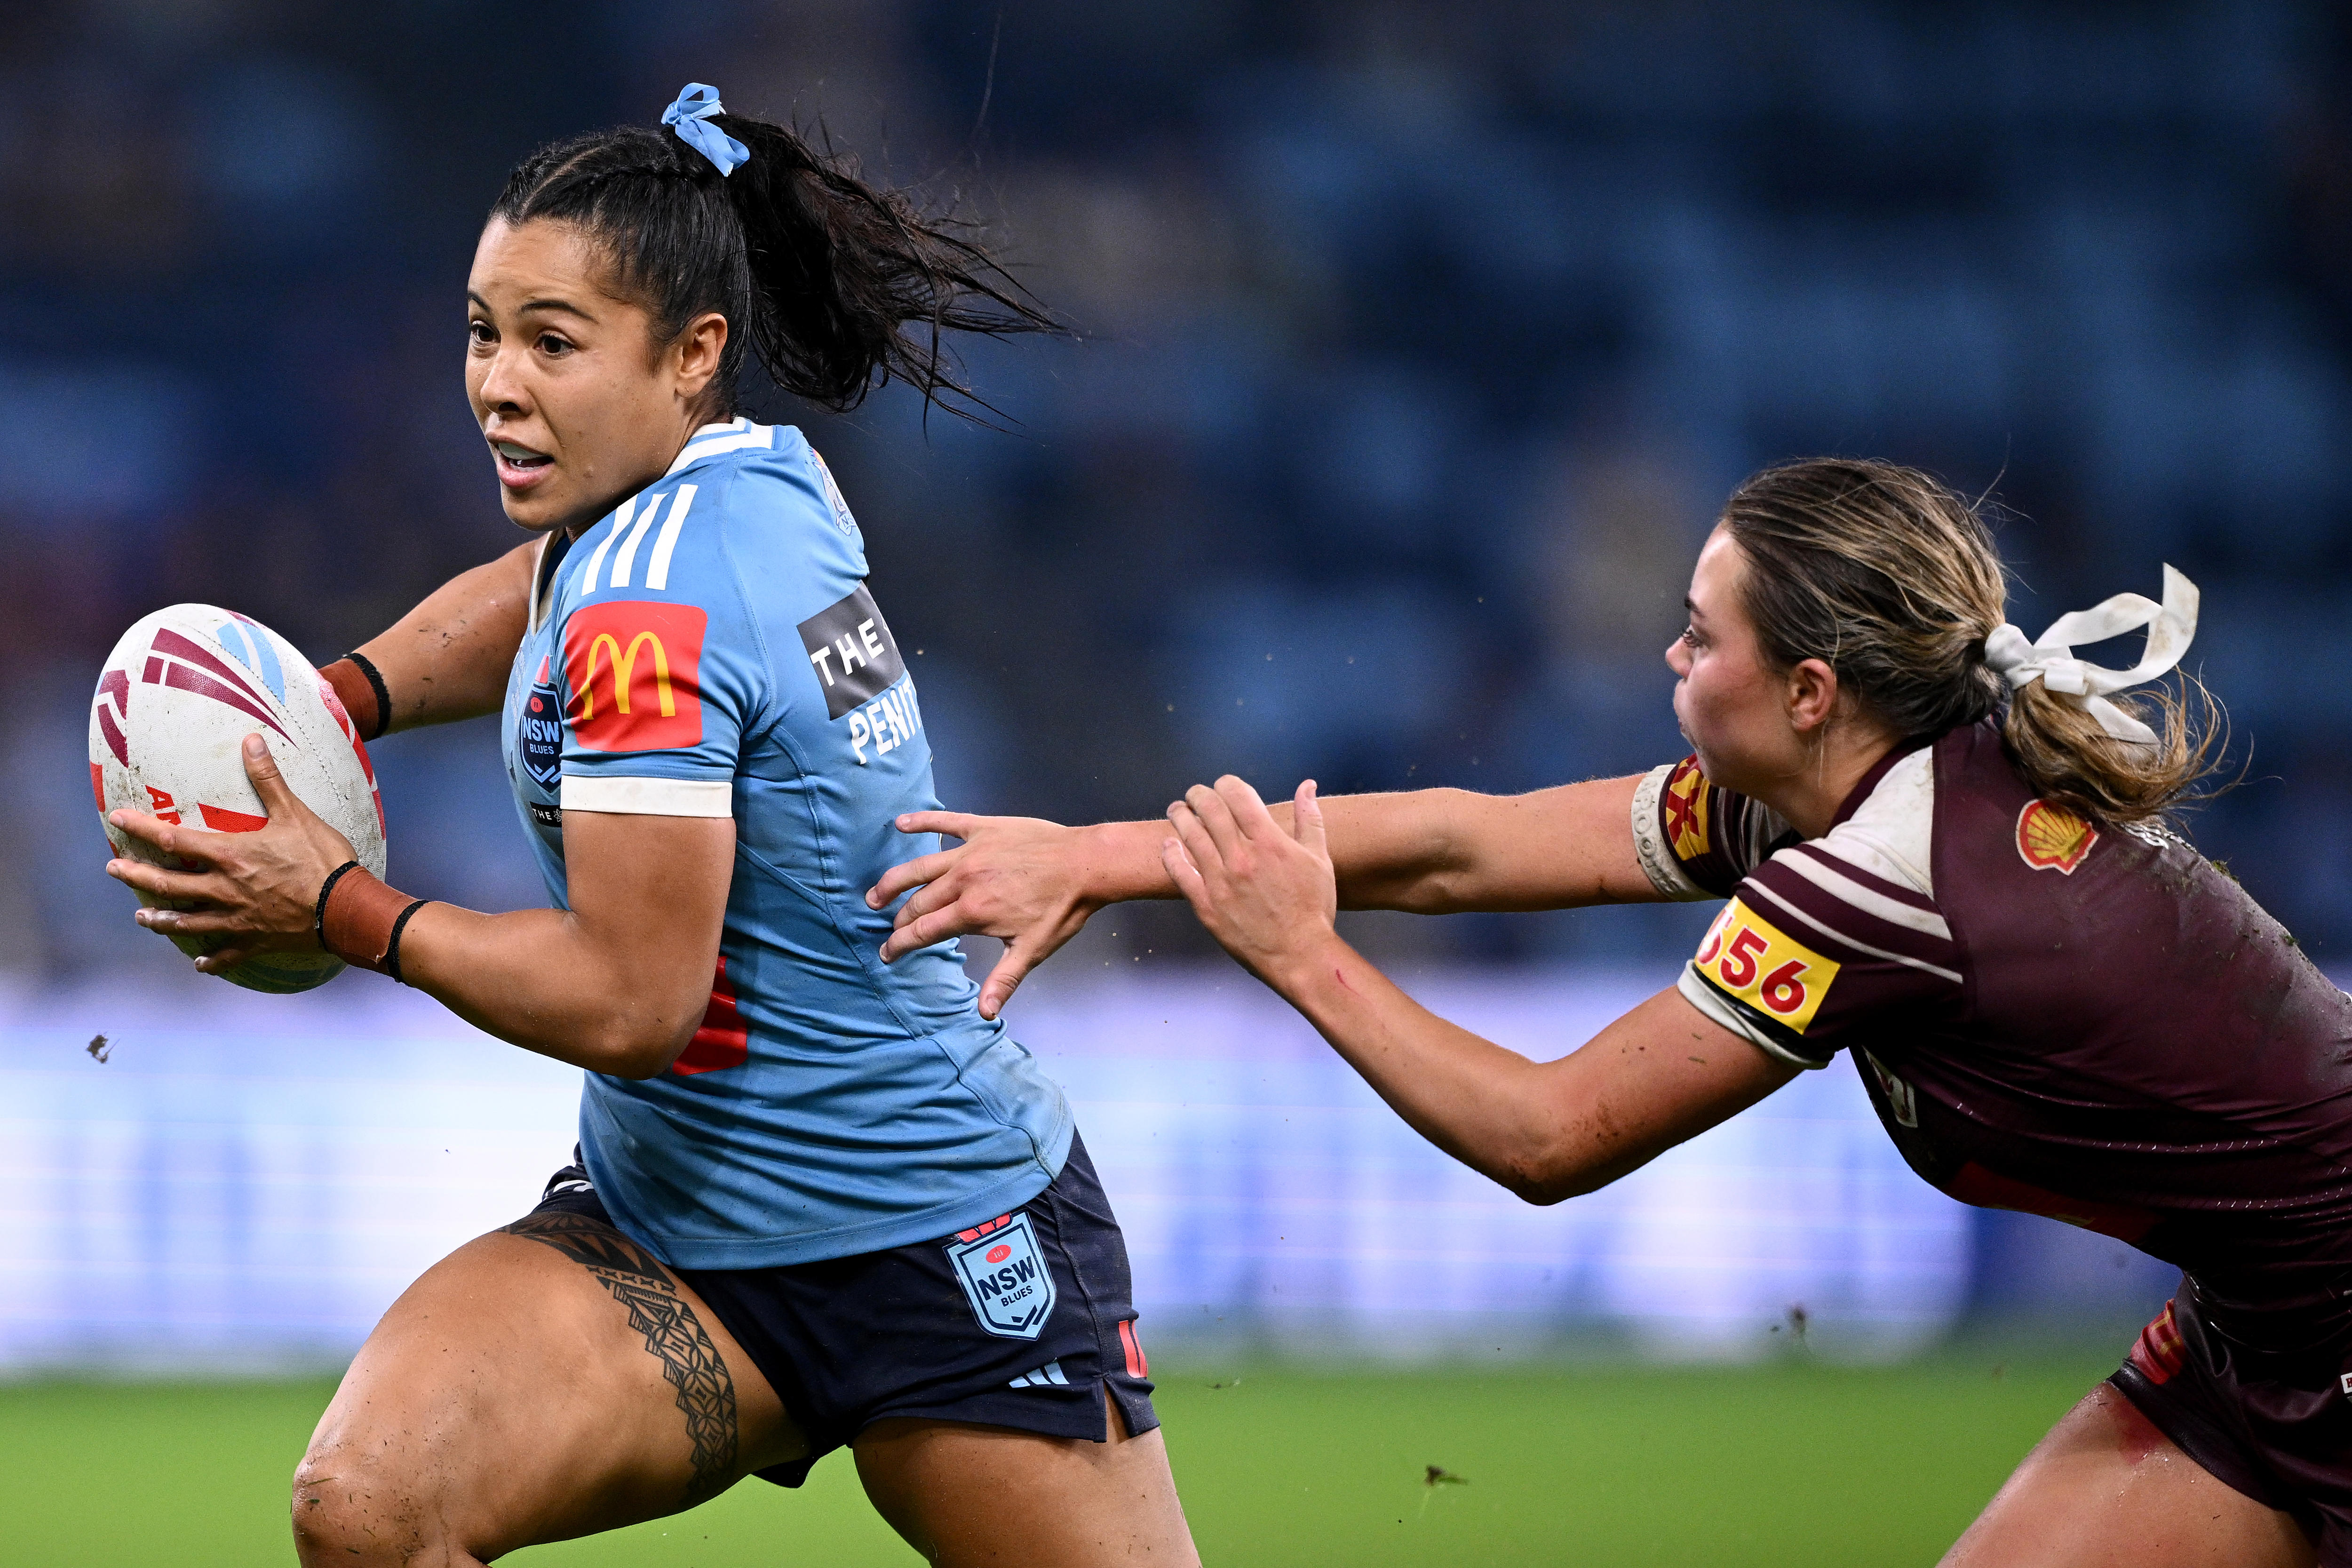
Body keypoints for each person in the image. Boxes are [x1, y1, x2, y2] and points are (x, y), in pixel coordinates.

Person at [869, 456, 2352, 1567]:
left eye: (1701, 638)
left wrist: (1303, 959)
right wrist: (1099, 858)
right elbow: (1466, 847)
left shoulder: (1879, 879)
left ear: (1812, 690)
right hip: (2260, 1340)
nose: (1671, 658)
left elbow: (1552, 1134)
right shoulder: (1844, 785)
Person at [102, 85, 1195, 1568]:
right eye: (483, 332)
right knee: (370, 1508)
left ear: (691, 355)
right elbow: (539, 589)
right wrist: (342, 700)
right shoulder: (746, 482)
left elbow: (631, 1001)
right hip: (682, 1244)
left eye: (552, 343)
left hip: (929, 1240)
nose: (497, 384)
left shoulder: (653, 611)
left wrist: (343, 907)